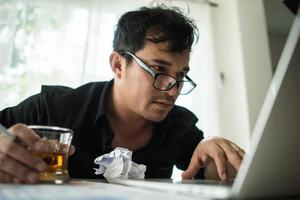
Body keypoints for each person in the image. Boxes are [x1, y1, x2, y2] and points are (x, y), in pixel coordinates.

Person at [0, 5, 245, 184]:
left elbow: (208, 173)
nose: (173, 89)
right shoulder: (53, 109)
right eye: (158, 70)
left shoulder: (180, 128)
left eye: (181, 75)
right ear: (118, 65)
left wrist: (220, 162)